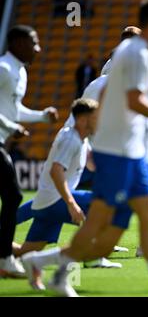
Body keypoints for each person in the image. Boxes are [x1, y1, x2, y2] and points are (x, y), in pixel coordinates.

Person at [22, 0, 148, 297]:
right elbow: (133, 103)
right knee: (101, 233)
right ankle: (49, 267)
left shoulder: (135, 54)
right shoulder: (135, 55)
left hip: (130, 155)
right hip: (117, 157)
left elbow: (122, 112)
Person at [13, 99, 122, 268]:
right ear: (83, 120)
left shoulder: (81, 139)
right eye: (96, 117)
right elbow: (56, 171)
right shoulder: (71, 139)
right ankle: (93, 257)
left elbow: (93, 163)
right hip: (57, 201)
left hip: (46, 204)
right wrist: (71, 204)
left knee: (25, 253)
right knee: (105, 204)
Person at [0, 25, 59, 278]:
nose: (38, 48)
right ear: (17, 43)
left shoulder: (20, 71)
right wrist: (12, 127)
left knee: (12, 197)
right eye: (33, 43)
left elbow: (14, 109)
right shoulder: (3, 69)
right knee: (13, 195)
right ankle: (5, 259)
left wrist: (42, 117)